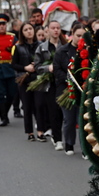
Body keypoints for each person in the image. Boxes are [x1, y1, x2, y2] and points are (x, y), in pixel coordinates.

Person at [33, 19, 66, 148]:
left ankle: (66, 138)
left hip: (63, 82)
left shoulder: (65, 46)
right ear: (48, 30)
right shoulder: (42, 48)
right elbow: (37, 66)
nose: (56, 30)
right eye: (53, 28)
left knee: (64, 112)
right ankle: (57, 139)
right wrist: (48, 68)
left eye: (58, 28)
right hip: (49, 83)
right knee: (53, 111)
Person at [54, 21, 83, 155]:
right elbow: (57, 69)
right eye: (78, 35)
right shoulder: (62, 51)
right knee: (69, 120)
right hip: (66, 90)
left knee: (82, 120)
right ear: (72, 35)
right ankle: (69, 144)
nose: (80, 39)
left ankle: (85, 149)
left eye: (83, 36)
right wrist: (69, 79)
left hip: (82, 90)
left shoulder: (87, 51)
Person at [12, 21, 40, 141]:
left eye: (30, 29)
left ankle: (41, 130)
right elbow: (14, 64)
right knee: (27, 106)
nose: (29, 31)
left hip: (38, 79)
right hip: (24, 79)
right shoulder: (18, 47)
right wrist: (25, 68)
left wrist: (37, 65)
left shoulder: (41, 45)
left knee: (39, 106)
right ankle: (29, 132)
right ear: (22, 33)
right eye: (25, 30)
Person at [0, 13, 18, 126]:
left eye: (3, 24)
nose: (2, 26)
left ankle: (5, 112)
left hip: (10, 68)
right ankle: (4, 117)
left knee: (12, 93)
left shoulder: (12, 37)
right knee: (0, 94)